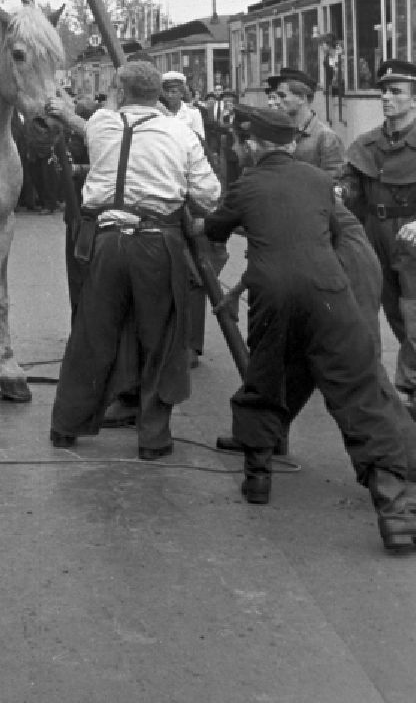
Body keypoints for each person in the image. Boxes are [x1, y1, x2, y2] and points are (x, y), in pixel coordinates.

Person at [194, 103, 416, 550]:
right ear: (291, 145)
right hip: (330, 294)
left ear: (254, 145)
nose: (239, 149)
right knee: (359, 395)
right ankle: (396, 514)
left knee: (266, 377)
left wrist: (196, 222)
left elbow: (214, 230)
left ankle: (257, 481)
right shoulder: (318, 182)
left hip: (274, 296)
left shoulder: (246, 184)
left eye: (242, 143)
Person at [46, 60, 221, 459]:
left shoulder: (102, 124)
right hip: (158, 244)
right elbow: (210, 196)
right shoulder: (180, 132)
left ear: (120, 92)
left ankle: (66, 426)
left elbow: (85, 121)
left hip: (106, 243)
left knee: (91, 335)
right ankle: (153, 437)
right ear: (158, 92)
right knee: (161, 338)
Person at [341, 58, 416, 415]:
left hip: (412, 239)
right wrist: (340, 193)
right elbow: (350, 185)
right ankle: (377, 391)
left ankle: (411, 389)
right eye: (384, 91)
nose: (386, 97)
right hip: (374, 233)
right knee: (380, 309)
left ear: (414, 100)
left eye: (396, 92)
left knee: (413, 315)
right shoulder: (367, 144)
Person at [274, 67, 346, 175]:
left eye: (282, 96)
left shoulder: (326, 138)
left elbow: (333, 182)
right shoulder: (279, 133)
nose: (277, 102)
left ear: (302, 98)